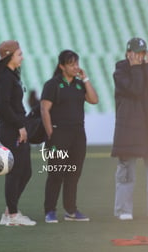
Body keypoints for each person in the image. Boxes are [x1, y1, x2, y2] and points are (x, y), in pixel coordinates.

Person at [112, 37, 148, 221]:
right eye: (136, 52)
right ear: (128, 53)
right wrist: (137, 68)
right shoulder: (120, 71)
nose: (139, 56)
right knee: (126, 171)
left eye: (142, 53)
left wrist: (145, 68)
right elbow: (134, 89)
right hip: (128, 128)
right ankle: (123, 210)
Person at [40, 50, 98, 223]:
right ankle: (50, 210)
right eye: (71, 64)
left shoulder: (80, 84)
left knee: (74, 173)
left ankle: (71, 211)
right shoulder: (53, 84)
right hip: (59, 134)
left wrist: (85, 79)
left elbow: (94, 100)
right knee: (56, 173)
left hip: (78, 134)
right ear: (62, 66)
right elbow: (44, 109)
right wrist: (51, 133)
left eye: (76, 63)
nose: (75, 67)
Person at [0, 40, 36, 226]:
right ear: (9, 56)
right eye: (19, 54)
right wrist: (19, 126)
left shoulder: (10, 75)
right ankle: (13, 215)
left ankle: (10, 211)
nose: (22, 57)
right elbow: (4, 106)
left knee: (25, 171)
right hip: (11, 128)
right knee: (16, 172)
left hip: (14, 126)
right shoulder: (6, 77)